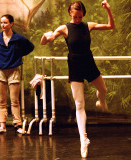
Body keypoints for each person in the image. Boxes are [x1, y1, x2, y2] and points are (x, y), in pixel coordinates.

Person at [40, 0, 115, 158]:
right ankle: (83, 138)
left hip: (88, 62)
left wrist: (108, 9)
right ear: (70, 14)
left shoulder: (88, 26)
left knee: (103, 90)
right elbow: (48, 39)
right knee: (79, 104)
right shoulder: (64, 28)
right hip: (74, 65)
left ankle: (101, 100)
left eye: (80, 17)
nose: (78, 20)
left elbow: (110, 26)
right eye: (75, 17)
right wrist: (45, 37)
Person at [0, 14, 34, 134]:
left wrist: (18, 54)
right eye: (1, 23)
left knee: (14, 101)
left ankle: (17, 125)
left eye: (5, 22)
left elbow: (30, 47)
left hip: (13, 71)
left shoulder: (18, 38)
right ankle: (2, 126)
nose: (3, 25)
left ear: (11, 24)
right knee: (2, 101)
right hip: (0, 71)